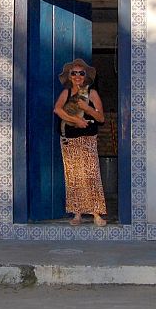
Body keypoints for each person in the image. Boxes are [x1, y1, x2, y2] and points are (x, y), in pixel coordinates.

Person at [54, 58, 107, 227]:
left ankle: (96, 213)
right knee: (74, 177)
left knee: (91, 175)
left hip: (88, 140)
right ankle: (77, 214)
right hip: (69, 141)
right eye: (74, 73)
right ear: (70, 77)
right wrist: (76, 120)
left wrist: (87, 108)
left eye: (81, 73)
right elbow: (57, 110)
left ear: (85, 77)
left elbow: (101, 117)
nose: (77, 76)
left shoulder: (92, 94)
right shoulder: (66, 93)